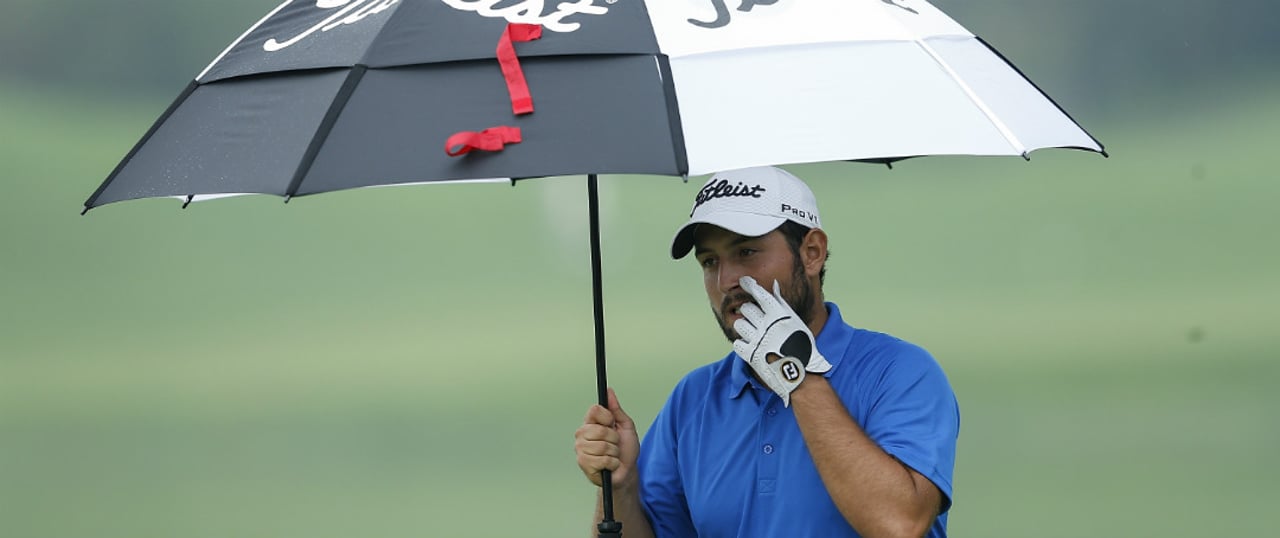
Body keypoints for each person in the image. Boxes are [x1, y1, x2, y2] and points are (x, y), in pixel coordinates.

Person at [573, 166, 960, 537]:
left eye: (746, 253)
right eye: (710, 261)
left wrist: (795, 373)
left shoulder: (899, 372)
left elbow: (899, 524)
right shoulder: (693, 399)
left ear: (812, 252)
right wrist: (620, 488)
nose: (726, 281)